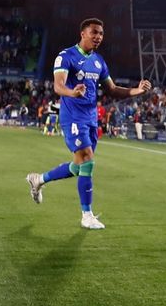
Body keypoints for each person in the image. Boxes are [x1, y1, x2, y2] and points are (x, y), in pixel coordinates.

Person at [24, 18, 153, 229]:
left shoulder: (99, 61)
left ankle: (39, 180)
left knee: (78, 167)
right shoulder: (66, 56)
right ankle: (87, 215)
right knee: (88, 161)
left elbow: (112, 89)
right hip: (73, 117)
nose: (98, 37)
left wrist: (136, 91)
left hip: (91, 119)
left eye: (101, 33)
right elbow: (58, 86)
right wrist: (71, 92)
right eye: (94, 32)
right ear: (83, 33)